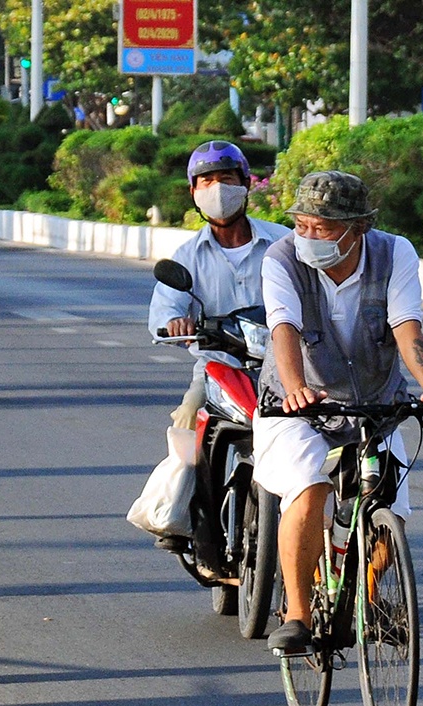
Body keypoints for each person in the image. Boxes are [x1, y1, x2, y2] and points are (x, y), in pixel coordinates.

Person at [255, 170, 423, 655]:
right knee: (309, 489)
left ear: (358, 227)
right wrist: (296, 389)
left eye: (321, 229)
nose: (306, 237)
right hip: (298, 408)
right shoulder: (281, 258)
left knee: (391, 516)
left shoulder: (395, 253)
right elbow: (283, 326)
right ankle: (298, 614)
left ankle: (363, 602)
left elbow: (407, 326)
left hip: (374, 405)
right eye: (301, 225)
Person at [146, 141, 290, 546]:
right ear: (193, 192)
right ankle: (180, 512)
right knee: (188, 420)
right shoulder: (187, 255)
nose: (217, 189)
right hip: (217, 369)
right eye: (206, 181)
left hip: (285, 367)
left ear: (245, 185)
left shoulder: (283, 244)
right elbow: (161, 316)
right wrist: (175, 324)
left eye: (226, 179)